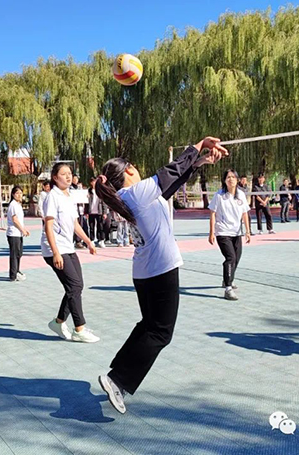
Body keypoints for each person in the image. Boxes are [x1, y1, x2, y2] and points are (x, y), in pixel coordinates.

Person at [94, 136, 228, 414]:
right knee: (161, 332)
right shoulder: (137, 192)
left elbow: (170, 186)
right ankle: (118, 380)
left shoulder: (128, 197)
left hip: (145, 271)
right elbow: (170, 173)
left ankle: (117, 373)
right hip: (160, 269)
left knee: (148, 326)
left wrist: (199, 162)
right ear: (129, 170)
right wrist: (198, 145)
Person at [42, 162, 99, 343]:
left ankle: (58, 322)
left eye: (69, 173)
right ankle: (79, 329)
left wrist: (88, 241)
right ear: (55, 177)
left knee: (77, 286)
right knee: (74, 286)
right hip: (55, 248)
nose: (68, 176)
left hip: (68, 247)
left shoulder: (68, 196)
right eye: (63, 173)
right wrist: (55, 253)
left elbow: (75, 224)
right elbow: (48, 226)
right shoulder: (52, 197)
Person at [208, 169, 251, 301]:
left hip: (236, 232)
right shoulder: (219, 195)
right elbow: (212, 213)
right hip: (222, 232)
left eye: (233, 177)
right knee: (230, 258)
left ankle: (227, 279)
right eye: (228, 177)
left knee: (236, 258)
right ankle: (228, 288)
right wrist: (211, 232)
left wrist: (248, 231)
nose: (230, 179)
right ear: (224, 180)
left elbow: (245, 213)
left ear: (237, 180)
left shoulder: (241, 195)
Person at [7, 186, 31, 282]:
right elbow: (15, 220)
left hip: (18, 233)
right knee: (14, 254)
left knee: (19, 253)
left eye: (21, 193)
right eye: (17, 193)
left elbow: (20, 220)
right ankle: (13, 275)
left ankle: (17, 271)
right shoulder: (13, 205)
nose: (19, 195)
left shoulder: (18, 205)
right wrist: (22, 230)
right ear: (13, 194)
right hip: (13, 233)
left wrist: (24, 229)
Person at [88, 179, 110, 248]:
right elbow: (86, 202)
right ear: (91, 183)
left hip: (99, 211)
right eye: (93, 182)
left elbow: (104, 202)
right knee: (91, 227)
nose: (94, 183)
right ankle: (92, 240)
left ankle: (101, 240)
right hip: (91, 211)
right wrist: (86, 211)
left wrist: (104, 212)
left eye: (95, 181)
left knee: (100, 227)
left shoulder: (100, 191)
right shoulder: (89, 191)